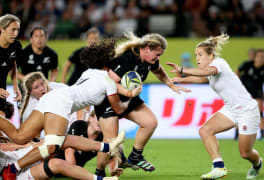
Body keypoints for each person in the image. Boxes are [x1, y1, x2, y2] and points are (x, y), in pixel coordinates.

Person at [0, 39, 141, 179]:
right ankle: (13, 168)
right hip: (61, 101)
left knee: (20, 137)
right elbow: (118, 109)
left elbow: (94, 89)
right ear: (107, 63)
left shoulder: (89, 72)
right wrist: (130, 98)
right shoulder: (108, 82)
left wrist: (127, 91)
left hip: (52, 97)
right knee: (52, 145)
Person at [166, 34, 262, 179]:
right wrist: (182, 79)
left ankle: (258, 163)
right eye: (195, 55)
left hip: (247, 111)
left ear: (211, 56)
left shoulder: (219, 63)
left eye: (200, 55)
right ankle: (219, 167)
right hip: (231, 109)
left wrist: (183, 70)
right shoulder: (210, 70)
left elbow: (208, 72)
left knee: (245, 153)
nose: (197, 58)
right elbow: (204, 77)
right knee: (205, 130)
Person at [94, 32, 190, 176]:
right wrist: (128, 94)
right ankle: (99, 173)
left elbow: (159, 71)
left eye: (160, 56)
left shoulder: (149, 61)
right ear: (146, 49)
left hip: (129, 97)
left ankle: (135, 156)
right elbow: (110, 82)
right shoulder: (127, 58)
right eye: (157, 54)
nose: (158, 59)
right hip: (109, 98)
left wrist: (170, 84)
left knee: (150, 122)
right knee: (111, 143)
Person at [0, 134, 118, 180]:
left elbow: (3, 147)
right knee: (56, 164)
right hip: (17, 176)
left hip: (22, 157)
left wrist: (26, 147)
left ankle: (108, 147)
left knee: (61, 139)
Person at [236, 49, 264, 140]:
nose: (260, 59)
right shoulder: (247, 64)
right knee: (240, 111)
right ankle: (237, 134)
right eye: (258, 56)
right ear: (254, 57)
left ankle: (262, 133)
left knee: (259, 111)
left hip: (257, 90)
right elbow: (237, 71)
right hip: (245, 89)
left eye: (262, 57)